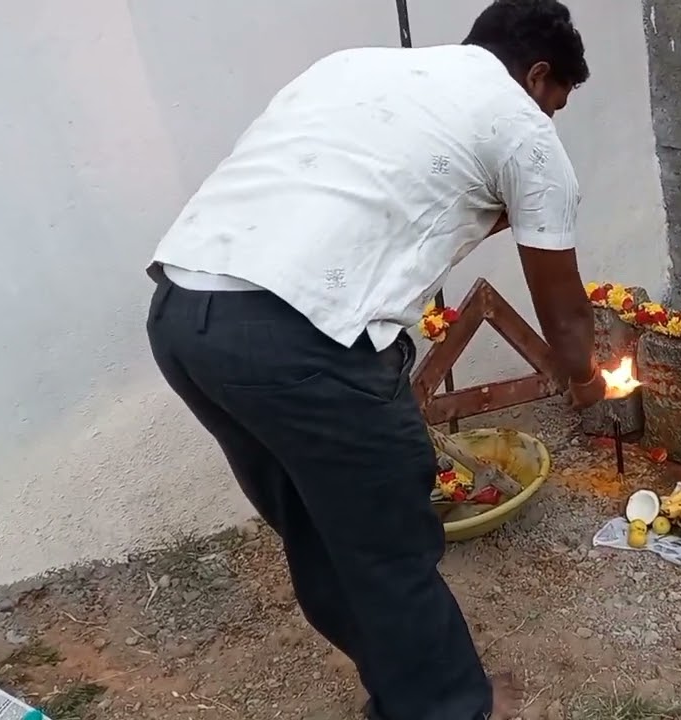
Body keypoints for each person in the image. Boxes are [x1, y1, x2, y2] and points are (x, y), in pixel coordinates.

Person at [143, 1, 607, 718]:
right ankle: (452, 707)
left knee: (323, 530)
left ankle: (405, 694)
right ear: (537, 74)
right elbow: (568, 314)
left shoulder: (354, 67)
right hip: (299, 344)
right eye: (556, 102)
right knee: (389, 547)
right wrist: (586, 383)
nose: (551, 121)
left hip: (183, 317)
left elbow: (360, 203)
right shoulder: (522, 130)